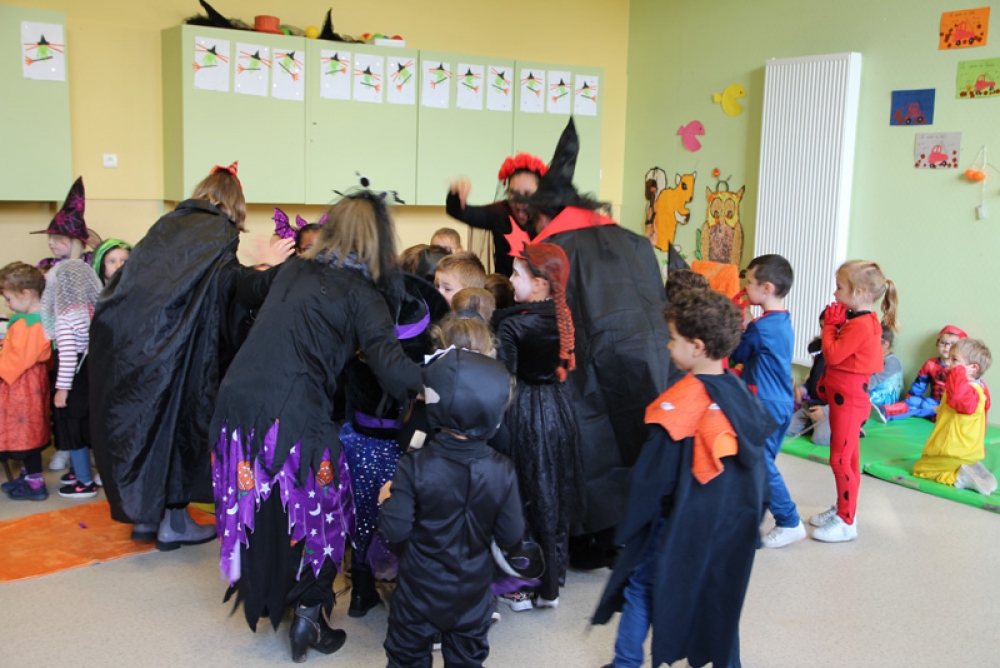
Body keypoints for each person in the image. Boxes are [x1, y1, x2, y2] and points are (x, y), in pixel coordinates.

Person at [209, 190, 422, 661]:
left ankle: (277, 597)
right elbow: (391, 368)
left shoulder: (294, 269)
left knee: (263, 507)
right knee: (325, 507)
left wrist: (262, 264)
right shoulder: (363, 294)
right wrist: (438, 381)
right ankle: (308, 614)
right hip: (292, 414)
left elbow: (245, 288)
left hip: (237, 406)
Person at [89, 162, 294, 546]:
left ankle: (145, 518)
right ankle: (175, 523)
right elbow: (232, 287)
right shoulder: (218, 231)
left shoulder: (168, 225)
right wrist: (273, 268)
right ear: (235, 204)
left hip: (133, 346)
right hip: (176, 349)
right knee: (178, 427)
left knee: (147, 426)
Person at [514, 118, 673, 569]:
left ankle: (589, 542)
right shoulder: (633, 241)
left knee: (591, 446)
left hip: (585, 367)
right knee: (636, 439)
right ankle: (632, 531)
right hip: (645, 362)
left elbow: (544, 316)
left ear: (544, 214)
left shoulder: (552, 248)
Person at [592, 288, 775, 668]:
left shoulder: (679, 406)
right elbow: (759, 469)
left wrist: (626, 518)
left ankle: (626, 662)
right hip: (726, 524)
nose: (668, 346)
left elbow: (652, 481)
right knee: (715, 594)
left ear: (696, 347)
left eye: (673, 338)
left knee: (641, 586)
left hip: (679, 525)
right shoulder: (741, 395)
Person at [380, 348, 526, 668]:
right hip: (472, 593)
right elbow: (511, 536)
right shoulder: (502, 470)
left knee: (406, 660)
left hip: (418, 592)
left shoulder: (413, 465)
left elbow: (395, 529)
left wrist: (386, 500)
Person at [339, 274, 441, 619]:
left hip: (359, 444)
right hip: (401, 450)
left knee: (362, 516)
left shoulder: (354, 358)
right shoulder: (414, 367)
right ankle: (404, 587)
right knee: (398, 515)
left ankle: (361, 590)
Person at [492, 242, 585, 610]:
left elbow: (504, 380)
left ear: (541, 284)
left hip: (525, 414)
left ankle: (523, 587)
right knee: (553, 494)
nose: (510, 279)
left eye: (517, 274)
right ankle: (551, 582)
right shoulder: (563, 316)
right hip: (559, 411)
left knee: (525, 497)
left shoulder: (513, 323)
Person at [811, 260, 898, 542]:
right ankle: (844, 508)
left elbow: (833, 354)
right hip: (842, 399)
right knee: (849, 459)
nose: (835, 293)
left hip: (849, 403)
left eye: (839, 288)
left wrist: (829, 326)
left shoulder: (861, 325)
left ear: (858, 292)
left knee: (840, 460)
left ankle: (847, 521)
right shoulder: (859, 321)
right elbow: (843, 362)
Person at [730, 254, 804, 549]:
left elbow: (738, 353)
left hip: (766, 405)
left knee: (761, 464)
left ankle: (789, 521)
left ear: (767, 288)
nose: (745, 287)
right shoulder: (782, 321)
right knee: (759, 462)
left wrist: (740, 326)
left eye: (749, 282)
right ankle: (744, 514)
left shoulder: (760, 327)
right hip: (780, 403)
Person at [40, 260, 103, 499]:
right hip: (92, 380)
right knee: (87, 428)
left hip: (74, 385)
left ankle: (83, 481)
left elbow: (67, 357)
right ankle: (84, 473)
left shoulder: (65, 318)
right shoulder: (93, 312)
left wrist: (62, 389)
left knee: (73, 430)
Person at [912, 338, 995, 494]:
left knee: (921, 469)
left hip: (954, 451)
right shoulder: (978, 387)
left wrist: (958, 372)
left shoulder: (966, 391)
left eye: (954, 359)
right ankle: (972, 469)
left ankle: (959, 477)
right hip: (967, 451)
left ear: (973, 368)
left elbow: (957, 397)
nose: (948, 363)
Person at [446, 152, 548, 276]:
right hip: (504, 287)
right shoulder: (500, 213)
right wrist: (456, 194)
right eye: (514, 193)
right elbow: (458, 212)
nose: (520, 204)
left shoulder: (549, 219)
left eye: (528, 194)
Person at [0, 263, 52, 501]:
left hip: (20, 386)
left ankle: (35, 485)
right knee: (30, 431)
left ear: (25, 293)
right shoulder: (41, 318)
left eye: (9, 299)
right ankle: (29, 476)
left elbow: (16, 360)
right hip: (32, 382)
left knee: (25, 434)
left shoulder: (27, 324)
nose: (7, 304)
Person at [873, 325, 966, 422]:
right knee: (916, 402)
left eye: (952, 344)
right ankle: (885, 412)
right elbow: (919, 386)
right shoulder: (931, 364)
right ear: (937, 344)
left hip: (952, 409)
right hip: (933, 405)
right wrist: (909, 401)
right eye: (943, 343)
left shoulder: (963, 369)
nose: (947, 347)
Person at [31, 176, 102, 274]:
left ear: (74, 241)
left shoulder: (92, 262)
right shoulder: (46, 264)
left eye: (57, 238)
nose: (50, 242)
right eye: (50, 237)